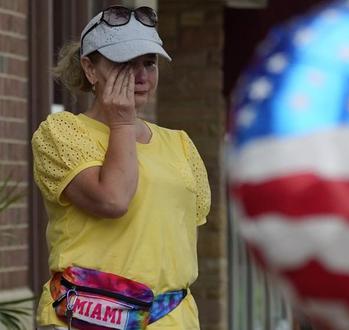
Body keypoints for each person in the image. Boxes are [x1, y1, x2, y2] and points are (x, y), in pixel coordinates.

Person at [32, 6, 210, 330]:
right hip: (88, 317)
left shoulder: (181, 144)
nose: (140, 75)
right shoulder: (60, 132)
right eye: (125, 63)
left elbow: (170, 242)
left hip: (173, 319)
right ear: (90, 68)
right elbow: (113, 200)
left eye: (149, 63)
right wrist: (123, 121)